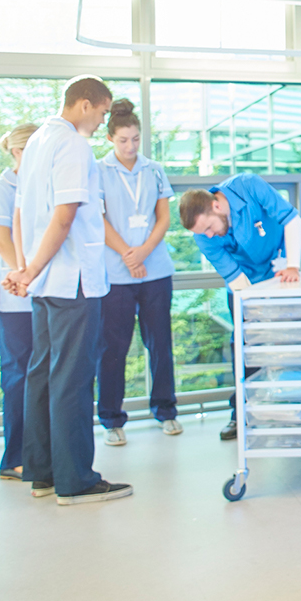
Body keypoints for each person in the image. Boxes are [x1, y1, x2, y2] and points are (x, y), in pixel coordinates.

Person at [4, 75, 132, 506]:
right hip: (72, 279)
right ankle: (75, 480)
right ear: (83, 104)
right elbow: (64, 216)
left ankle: (42, 472)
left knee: (42, 373)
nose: (100, 122)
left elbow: (20, 213)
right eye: (100, 113)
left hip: (44, 283)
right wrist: (33, 267)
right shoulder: (74, 146)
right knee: (73, 379)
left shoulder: (38, 140)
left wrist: (26, 270)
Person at [180, 174, 301, 441]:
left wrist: (292, 265)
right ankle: (242, 414)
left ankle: (293, 409)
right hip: (246, 285)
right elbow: (237, 280)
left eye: (210, 227)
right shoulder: (203, 237)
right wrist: (258, 310)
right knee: (245, 347)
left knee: (290, 343)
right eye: (204, 233)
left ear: (216, 206)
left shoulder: (248, 186)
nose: (210, 235)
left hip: (281, 271)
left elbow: (292, 219)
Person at [97, 98, 179, 446]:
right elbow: (96, 220)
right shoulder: (97, 171)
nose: (130, 147)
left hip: (155, 269)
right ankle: (111, 418)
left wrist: (144, 251)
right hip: (115, 274)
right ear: (110, 139)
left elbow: (164, 217)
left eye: (135, 139)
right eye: (122, 140)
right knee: (113, 348)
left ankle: (166, 410)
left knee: (160, 342)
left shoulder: (154, 169)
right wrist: (128, 257)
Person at [0, 122, 39, 481]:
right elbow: (2, 241)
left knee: (39, 378)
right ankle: (13, 458)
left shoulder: (37, 188)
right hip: (14, 299)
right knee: (18, 378)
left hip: (41, 297)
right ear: (18, 152)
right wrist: (24, 273)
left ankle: (36, 451)